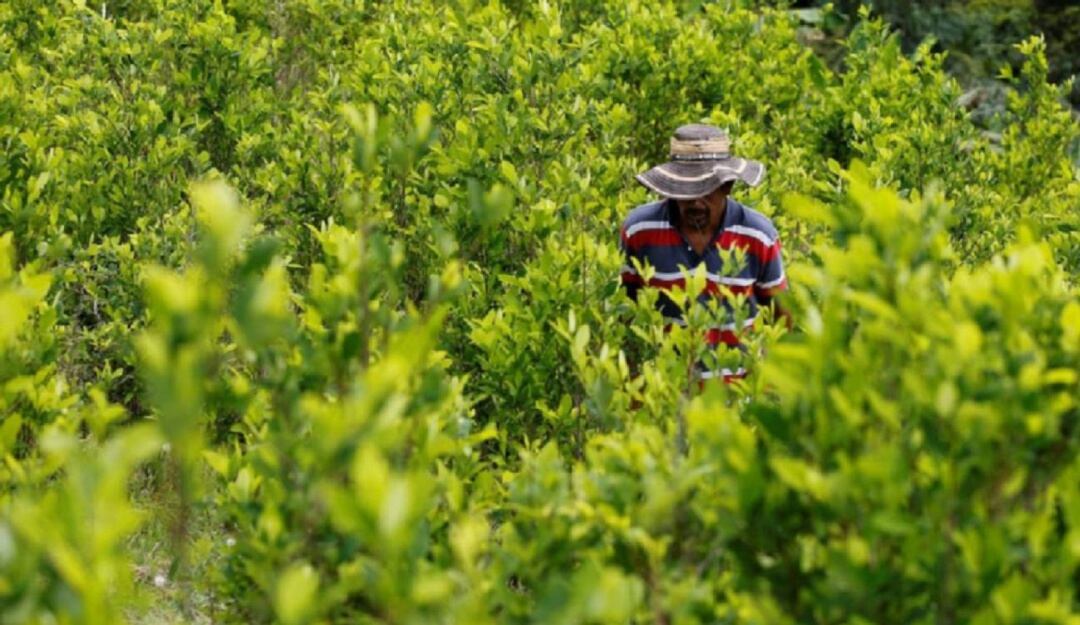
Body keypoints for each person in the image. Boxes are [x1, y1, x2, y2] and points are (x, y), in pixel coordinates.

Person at [619, 123, 789, 383]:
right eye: (686, 191)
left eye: (706, 190)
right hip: (663, 395)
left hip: (736, 399)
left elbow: (782, 319)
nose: (696, 202)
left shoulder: (757, 235)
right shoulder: (640, 230)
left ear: (727, 186)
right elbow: (625, 313)